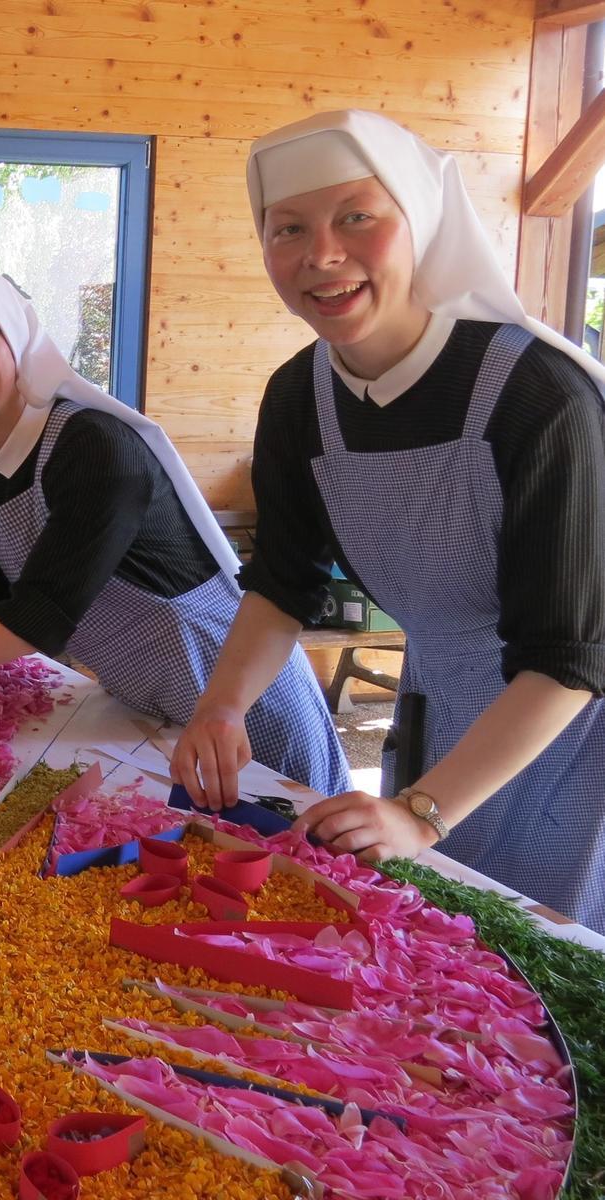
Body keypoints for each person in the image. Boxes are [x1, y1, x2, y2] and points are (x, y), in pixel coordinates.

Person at [171, 110, 605, 929]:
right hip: (442, 697)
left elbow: (569, 656)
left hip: (571, 722)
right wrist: (222, 708)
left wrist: (421, 812)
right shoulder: (300, 397)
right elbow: (283, 584)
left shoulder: (539, 396)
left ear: (420, 220)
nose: (321, 255)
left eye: (356, 217)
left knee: (546, 963)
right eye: (288, 228)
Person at [0, 267, 351, 797]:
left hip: (240, 696)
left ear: (15, 338)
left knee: (305, 851)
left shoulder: (93, 446)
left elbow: (38, 618)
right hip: (144, 699)